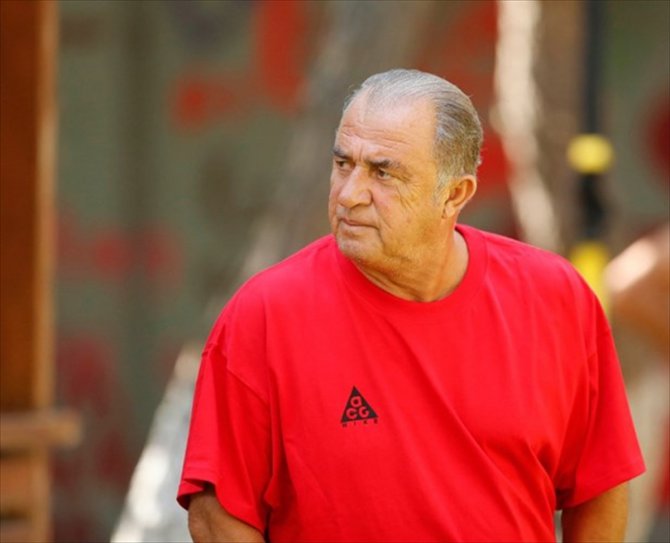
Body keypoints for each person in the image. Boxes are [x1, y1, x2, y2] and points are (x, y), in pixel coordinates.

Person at [177, 69, 644, 542]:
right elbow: (217, 514)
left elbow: (600, 484)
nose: (350, 195)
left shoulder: (555, 298)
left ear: (454, 194)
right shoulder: (264, 315)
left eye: (383, 173)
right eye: (343, 164)